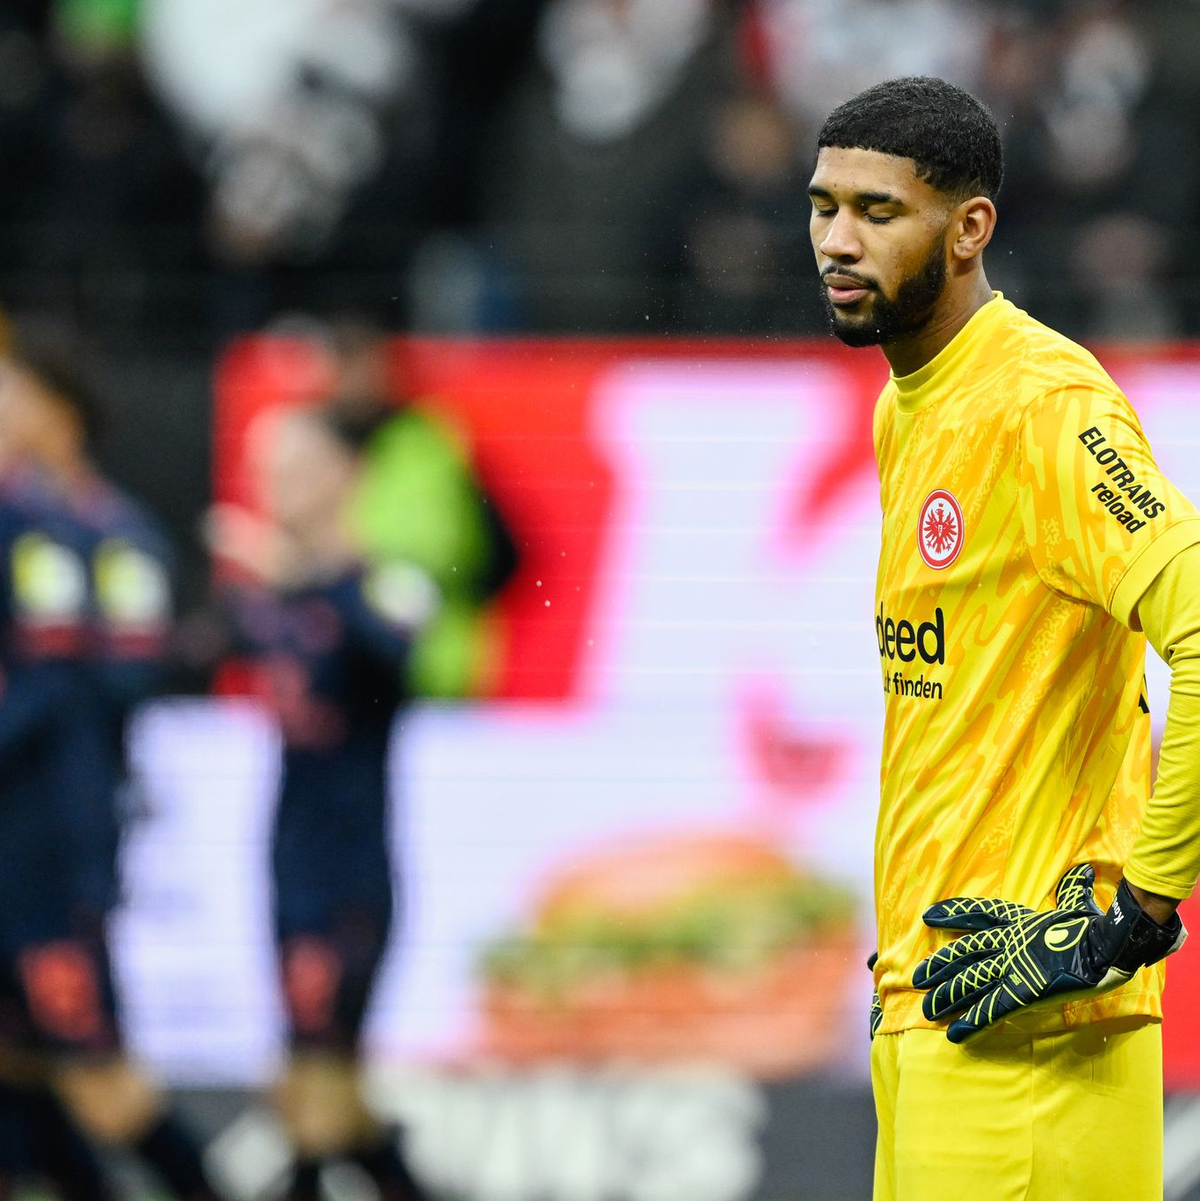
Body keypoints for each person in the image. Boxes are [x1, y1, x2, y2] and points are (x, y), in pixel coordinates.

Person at [807, 76, 1200, 1199]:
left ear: (969, 227)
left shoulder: (1044, 407)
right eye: (824, 206)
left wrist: (1138, 910)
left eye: (879, 212)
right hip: (934, 1006)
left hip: (1040, 1029)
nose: (837, 241)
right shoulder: (907, 406)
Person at [0, 327, 226, 1201]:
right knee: (20, 1067)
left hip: (59, 840)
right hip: (17, 829)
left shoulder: (109, 534)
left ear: (58, 414)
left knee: (99, 1075)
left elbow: (116, 679)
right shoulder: (24, 526)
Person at [207, 405, 433, 1201]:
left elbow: (400, 659)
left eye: (297, 469)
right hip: (287, 859)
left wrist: (306, 575)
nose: (278, 488)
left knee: (313, 1090)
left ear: (347, 474)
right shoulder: (264, 592)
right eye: (268, 472)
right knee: (322, 1091)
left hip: (350, 871)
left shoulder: (389, 584)